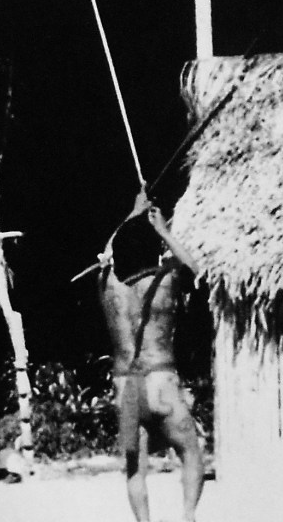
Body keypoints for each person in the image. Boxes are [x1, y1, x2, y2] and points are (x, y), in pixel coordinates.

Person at [98, 191, 204, 522]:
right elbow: (193, 268)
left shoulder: (107, 288)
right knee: (190, 453)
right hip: (160, 381)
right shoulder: (165, 282)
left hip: (126, 387)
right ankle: (188, 517)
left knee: (135, 468)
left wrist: (132, 213)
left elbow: (106, 254)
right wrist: (162, 230)